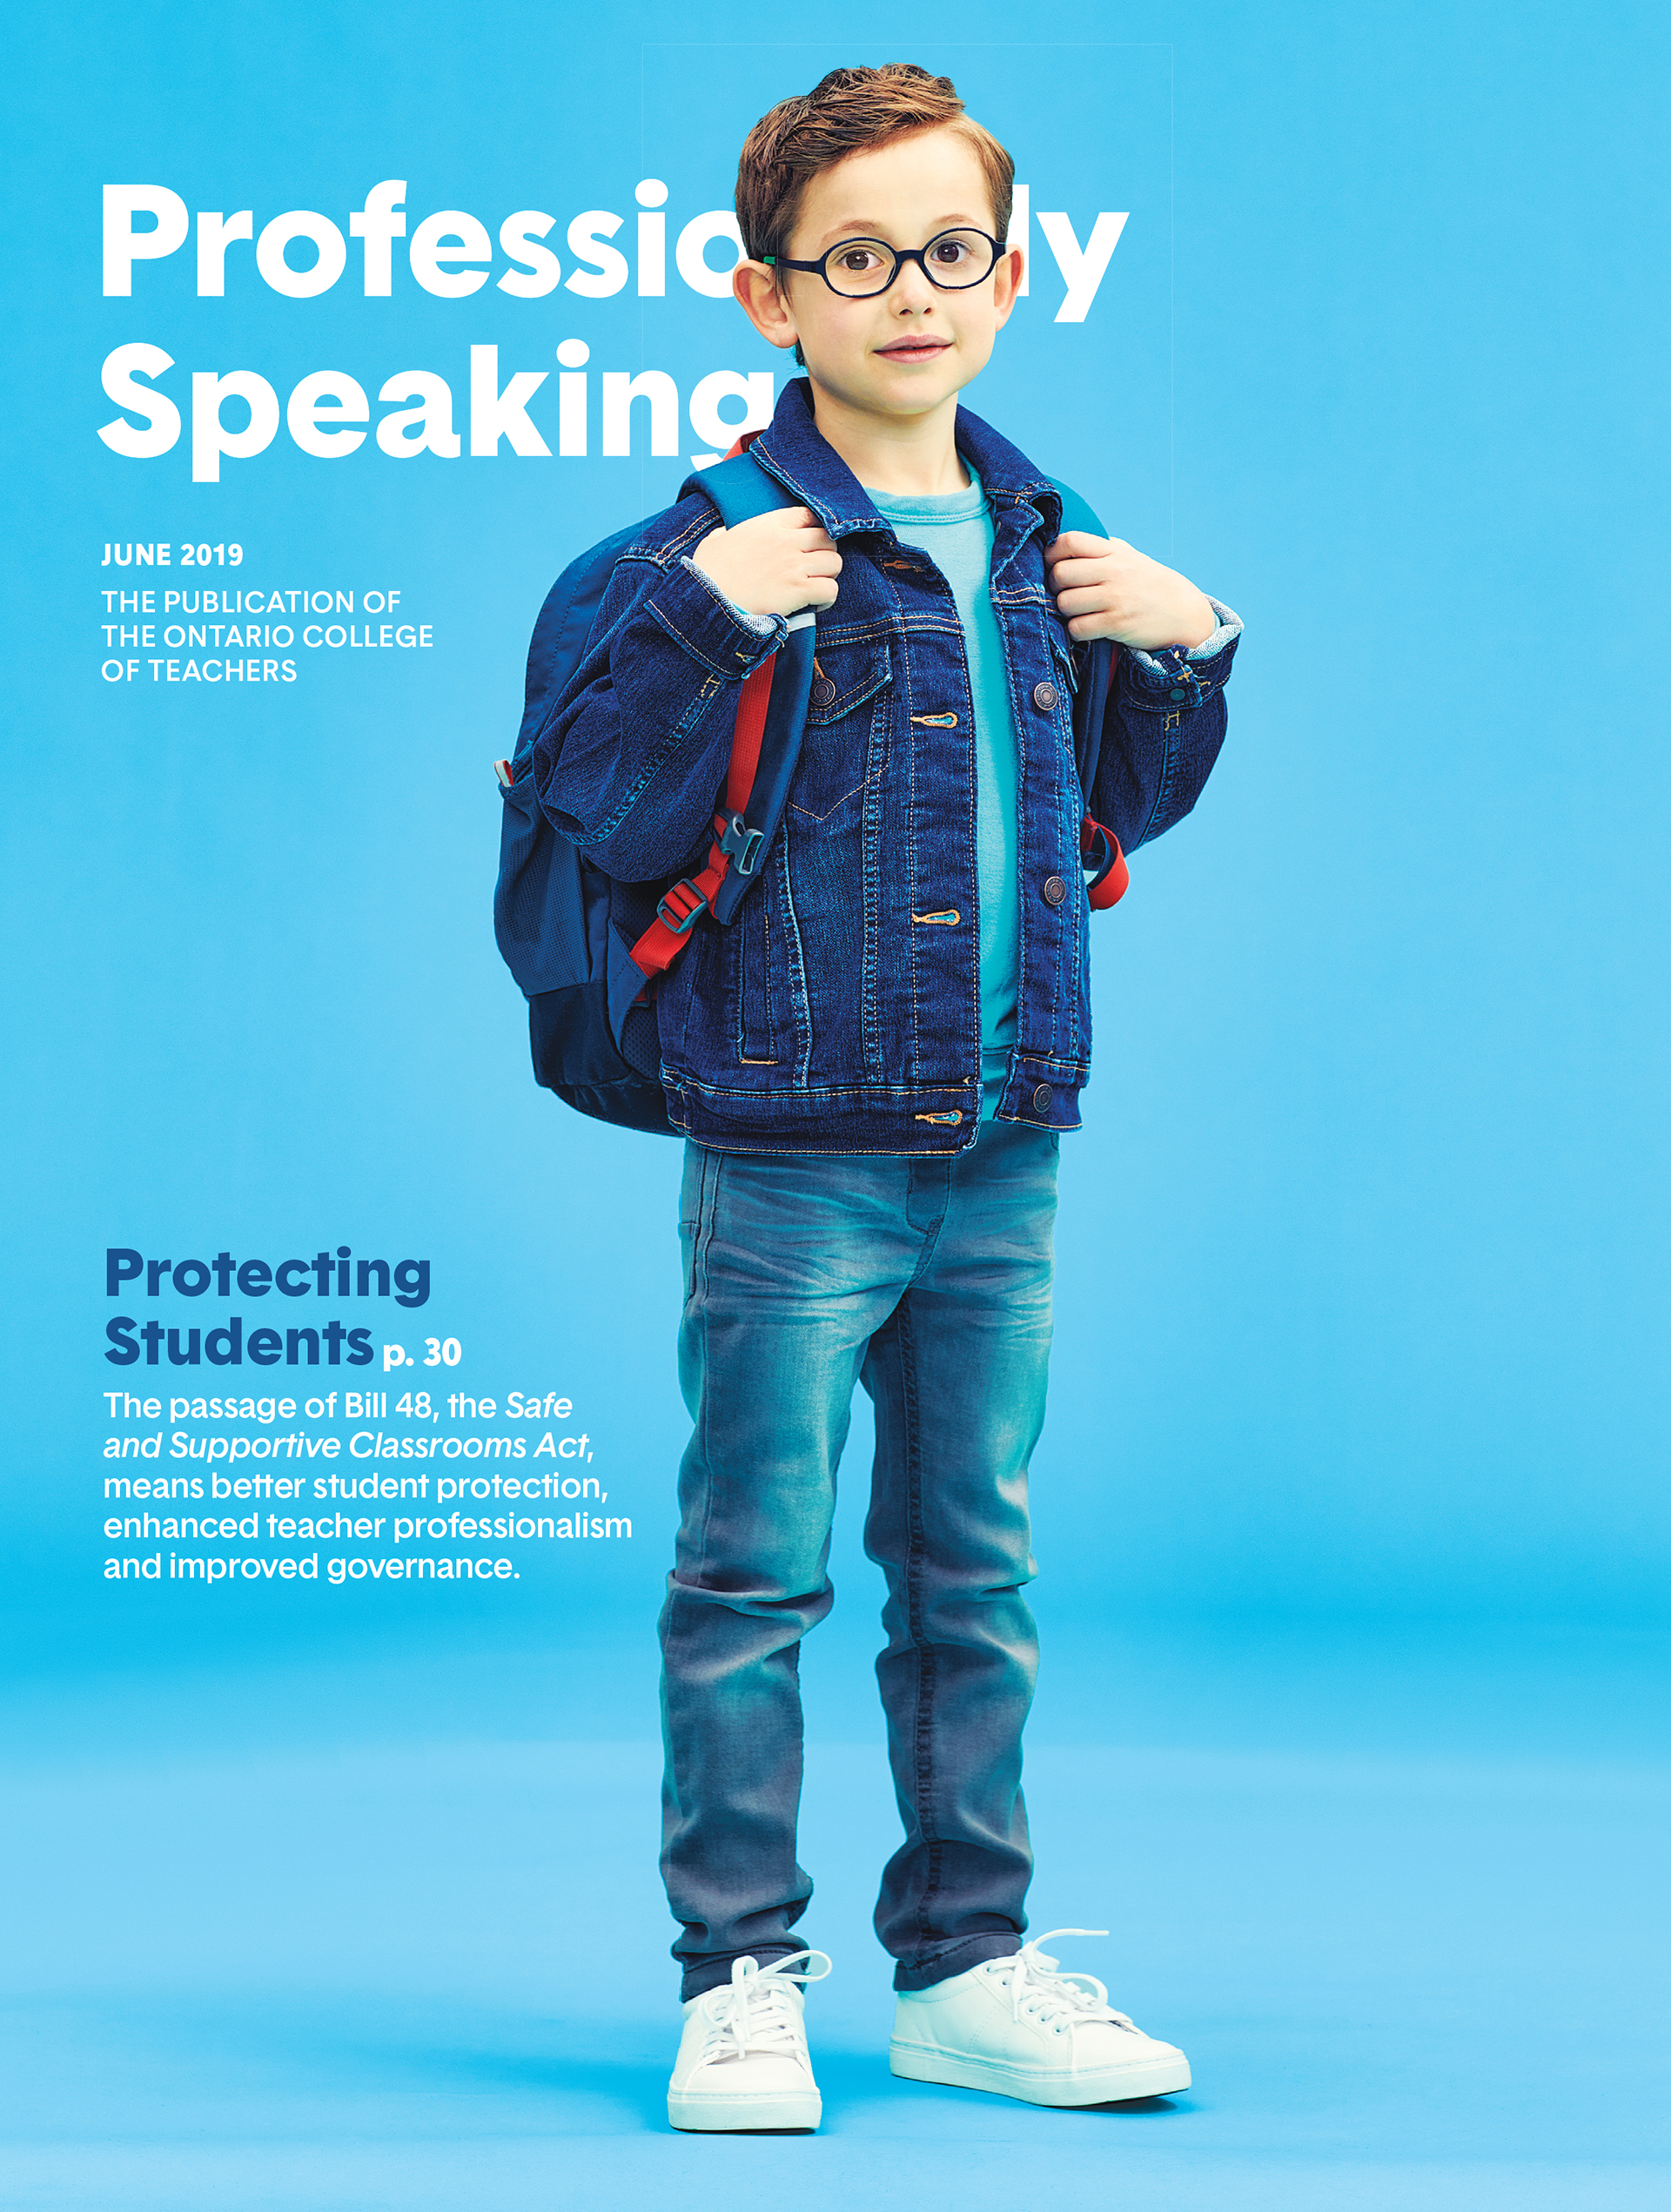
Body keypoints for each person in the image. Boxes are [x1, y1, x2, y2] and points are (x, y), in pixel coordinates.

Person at [533, 63, 1241, 2133]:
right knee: (751, 1565)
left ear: (1011, 279)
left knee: (973, 1567)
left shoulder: (1057, 544)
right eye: (855, 256)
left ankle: (968, 1960)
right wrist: (687, 627)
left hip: (1008, 1136)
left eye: (949, 249)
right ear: (771, 295)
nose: (908, 287)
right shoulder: (699, 550)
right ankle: (740, 1973)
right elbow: (599, 802)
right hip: (786, 1150)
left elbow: (1109, 809)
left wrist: (1192, 650)